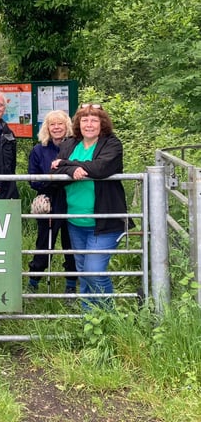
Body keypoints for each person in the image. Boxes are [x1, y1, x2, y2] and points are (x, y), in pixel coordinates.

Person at [50, 103, 132, 310]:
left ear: (102, 123)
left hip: (104, 221)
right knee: (83, 270)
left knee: (93, 271)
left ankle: (109, 315)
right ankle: (89, 316)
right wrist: (68, 169)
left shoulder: (112, 144)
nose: (89, 124)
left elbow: (101, 168)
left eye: (94, 120)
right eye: (84, 120)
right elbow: (54, 175)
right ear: (78, 123)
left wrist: (67, 165)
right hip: (76, 220)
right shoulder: (70, 143)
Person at [27, 111, 77, 293]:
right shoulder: (39, 150)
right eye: (52, 125)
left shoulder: (75, 147)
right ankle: (33, 282)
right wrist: (53, 181)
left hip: (71, 200)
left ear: (67, 126)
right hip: (48, 201)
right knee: (44, 243)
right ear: (47, 128)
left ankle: (71, 285)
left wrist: (57, 178)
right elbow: (32, 179)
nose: (56, 128)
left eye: (60, 124)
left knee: (70, 244)